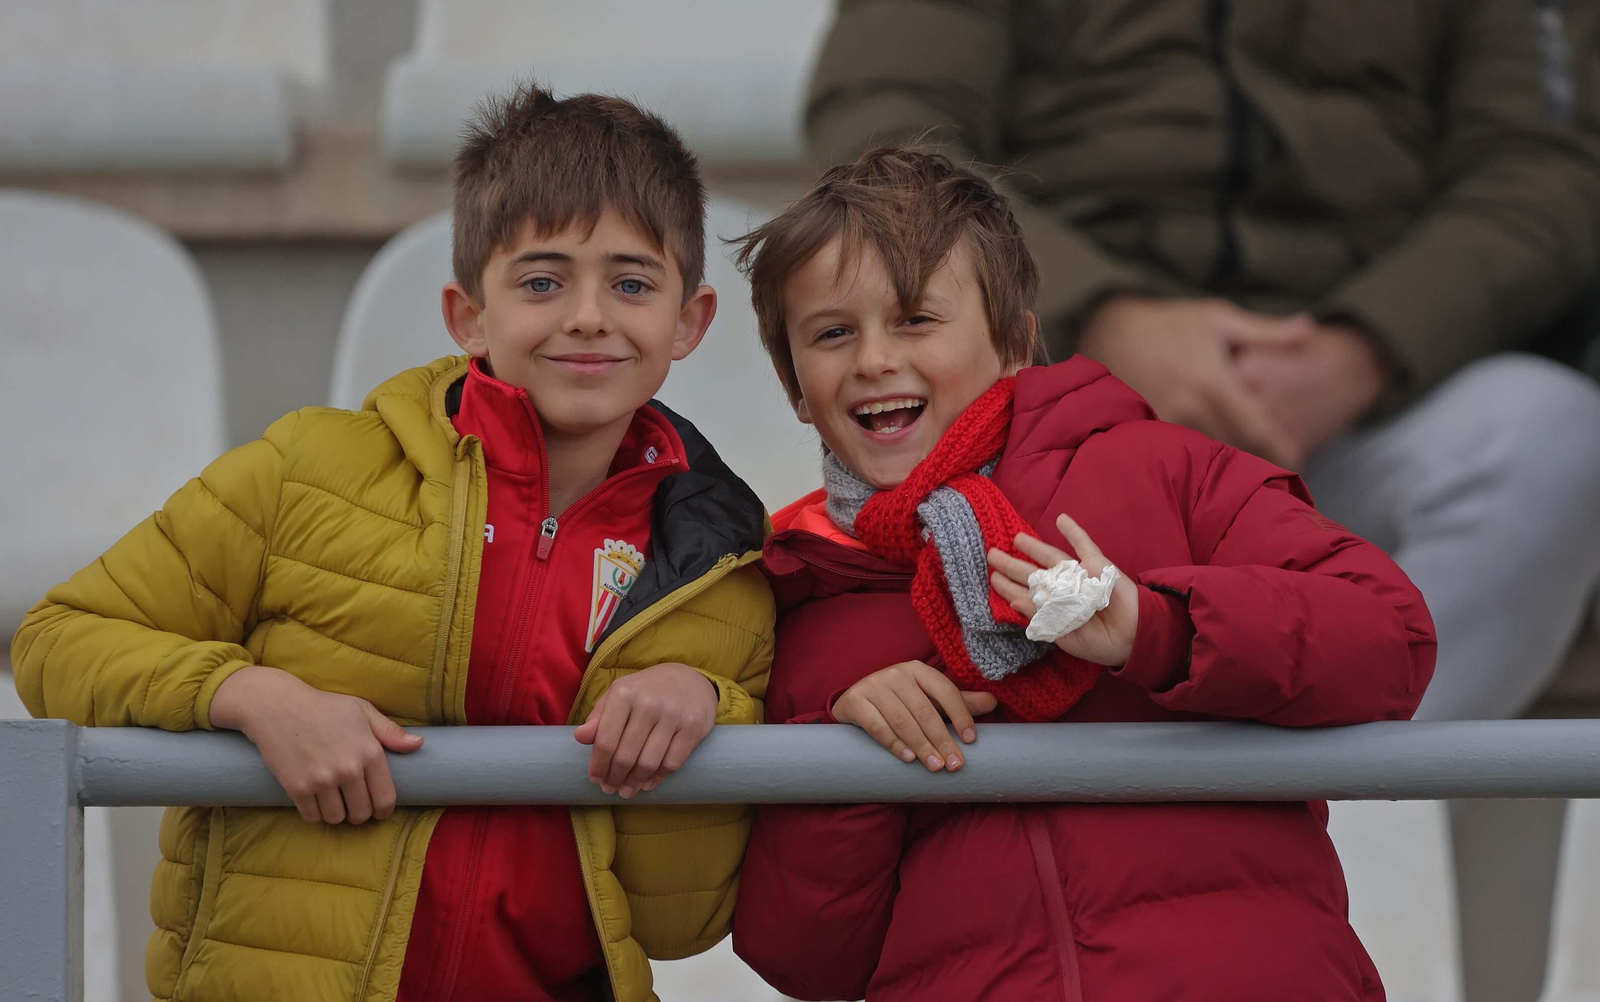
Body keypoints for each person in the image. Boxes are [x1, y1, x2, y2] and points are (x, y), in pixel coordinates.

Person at [804, 5, 1600, 995]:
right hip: (1054, 399)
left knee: (1552, 433)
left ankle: (1305, 822)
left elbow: (1547, 162)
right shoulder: (810, 572)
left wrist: (1369, 344)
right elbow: (884, 129)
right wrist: (1101, 311)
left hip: (1369, 398)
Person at [9, 83, 774, 1002]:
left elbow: (679, 923)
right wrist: (251, 697)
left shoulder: (719, 574)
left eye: (632, 283)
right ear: (468, 317)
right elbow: (59, 639)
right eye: (541, 281)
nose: (587, 316)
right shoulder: (310, 471)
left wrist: (704, 712)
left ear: (688, 322)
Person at [728, 148, 1435, 1001]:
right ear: (794, 384)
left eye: (916, 318)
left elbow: (1391, 640)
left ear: (1015, 340)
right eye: (834, 332)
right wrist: (846, 769)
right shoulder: (797, 594)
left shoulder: (1166, 468)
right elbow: (804, 960)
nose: (875, 359)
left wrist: (1155, 628)